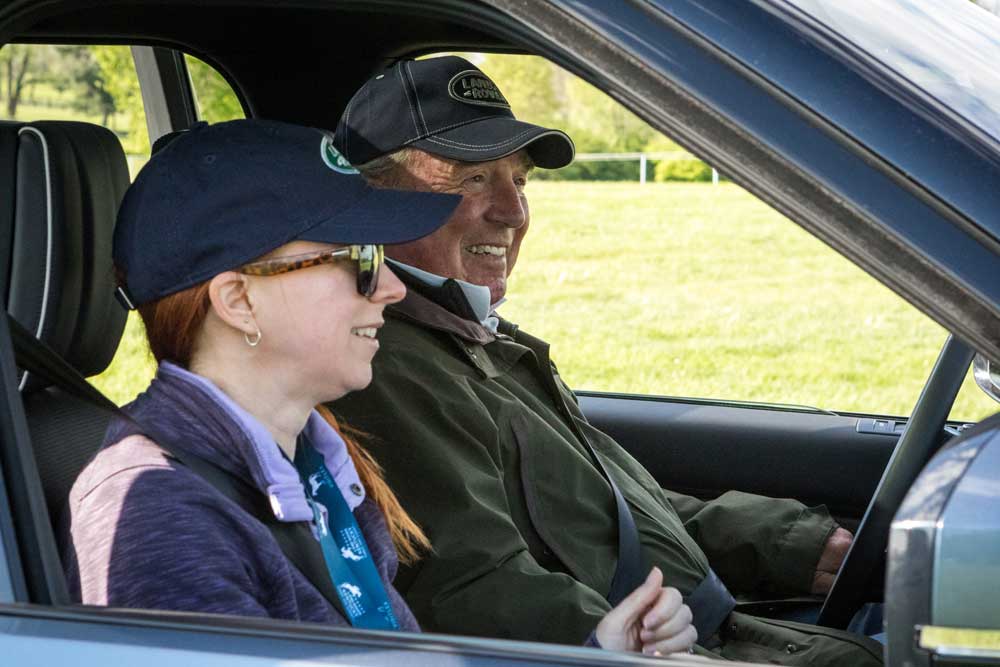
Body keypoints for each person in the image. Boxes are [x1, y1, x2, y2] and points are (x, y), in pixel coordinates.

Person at [59, 119, 697, 657]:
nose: (391, 289)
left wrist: (594, 658)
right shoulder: (160, 515)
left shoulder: (317, 460)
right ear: (238, 300)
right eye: (359, 261)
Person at [330, 57, 884, 665]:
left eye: (520, 180)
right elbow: (473, 590)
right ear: (373, 201)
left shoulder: (475, 337)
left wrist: (790, 544)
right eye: (471, 180)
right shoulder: (380, 365)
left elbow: (602, 506)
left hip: (695, 626)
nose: (513, 212)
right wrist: (645, 651)